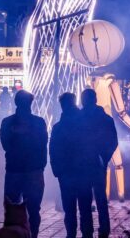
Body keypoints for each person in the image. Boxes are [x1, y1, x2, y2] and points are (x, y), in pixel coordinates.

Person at [0, 90, 47, 237]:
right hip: (34, 169)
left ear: (16, 102)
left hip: (14, 169)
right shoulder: (39, 122)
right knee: (34, 209)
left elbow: (5, 145)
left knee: (12, 208)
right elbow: (43, 143)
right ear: (31, 103)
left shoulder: (7, 122)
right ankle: (32, 235)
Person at [50, 93, 93, 238]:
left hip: (66, 173)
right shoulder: (85, 123)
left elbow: (53, 150)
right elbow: (91, 145)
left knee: (69, 209)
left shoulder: (58, 127)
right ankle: (87, 234)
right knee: (85, 208)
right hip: (84, 171)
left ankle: (71, 234)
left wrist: (57, 170)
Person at [81, 89, 118, 238]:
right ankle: (104, 229)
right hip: (98, 163)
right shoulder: (106, 119)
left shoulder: (79, 118)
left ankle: (87, 230)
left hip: (83, 164)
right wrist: (104, 157)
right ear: (95, 100)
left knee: (84, 200)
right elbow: (113, 141)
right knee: (101, 199)